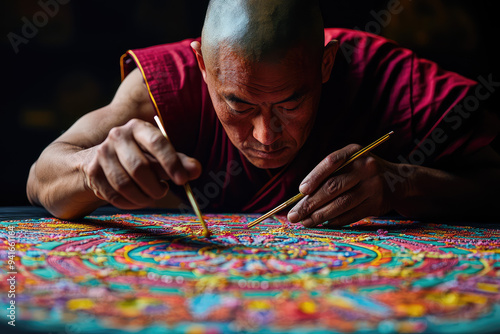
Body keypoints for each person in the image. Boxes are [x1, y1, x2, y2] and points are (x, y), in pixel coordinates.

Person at [27, 0, 499, 227]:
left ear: (326, 65)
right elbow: (40, 180)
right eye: (239, 104)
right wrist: (93, 170)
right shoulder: (164, 87)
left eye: (291, 102)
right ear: (202, 69)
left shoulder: (383, 77)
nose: (266, 134)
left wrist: (404, 184)